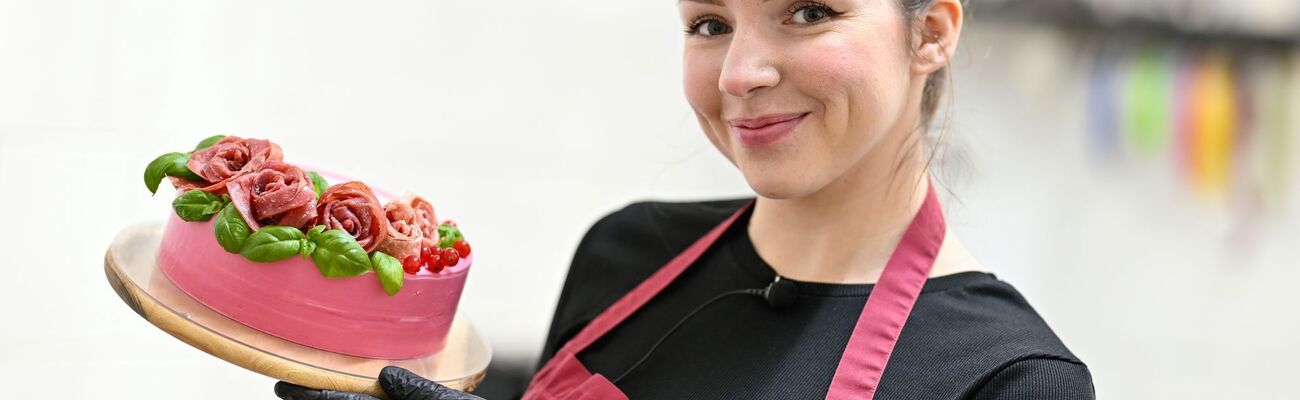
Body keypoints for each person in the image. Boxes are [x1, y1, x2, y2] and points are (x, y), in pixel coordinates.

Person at [275, 0, 1095, 398]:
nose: (741, 73)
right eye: (710, 23)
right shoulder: (625, 256)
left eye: (807, 13)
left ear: (932, 31)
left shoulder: (1009, 380)